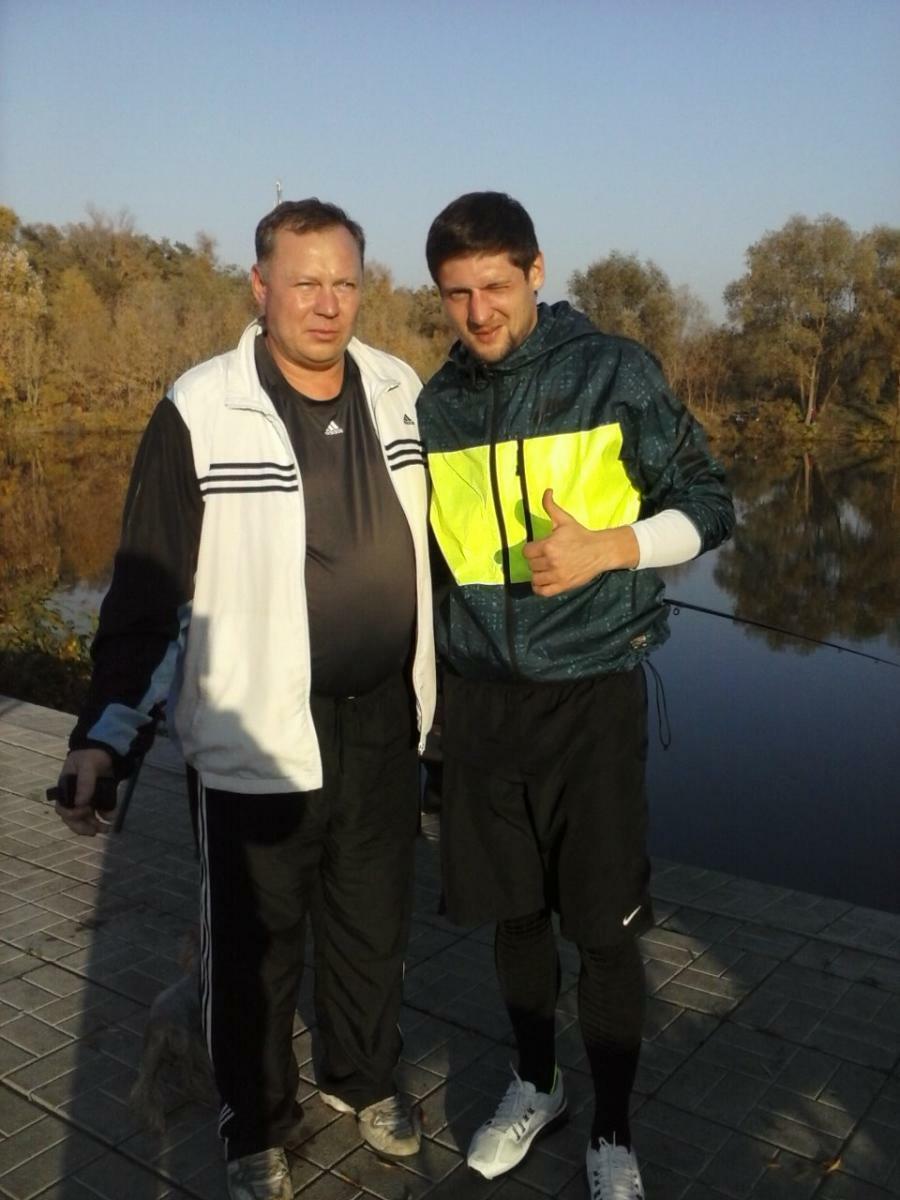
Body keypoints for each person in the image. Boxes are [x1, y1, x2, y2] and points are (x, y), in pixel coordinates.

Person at [54, 199, 436, 1200]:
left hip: (382, 720)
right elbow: (148, 594)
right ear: (260, 287)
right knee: (253, 951)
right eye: (304, 282)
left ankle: (362, 1078)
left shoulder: (399, 388)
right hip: (254, 736)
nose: (327, 303)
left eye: (344, 282)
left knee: (371, 927)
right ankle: (255, 1125)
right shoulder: (201, 407)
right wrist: (104, 740)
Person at [418, 192, 734, 1200]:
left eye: (495, 286)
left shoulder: (612, 371)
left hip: (592, 698)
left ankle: (613, 1131)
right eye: (456, 294)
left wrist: (614, 547)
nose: (478, 312)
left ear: (536, 272)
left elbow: (711, 503)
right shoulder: (434, 405)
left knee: (602, 929)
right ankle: (537, 1082)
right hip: (481, 707)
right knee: (514, 919)